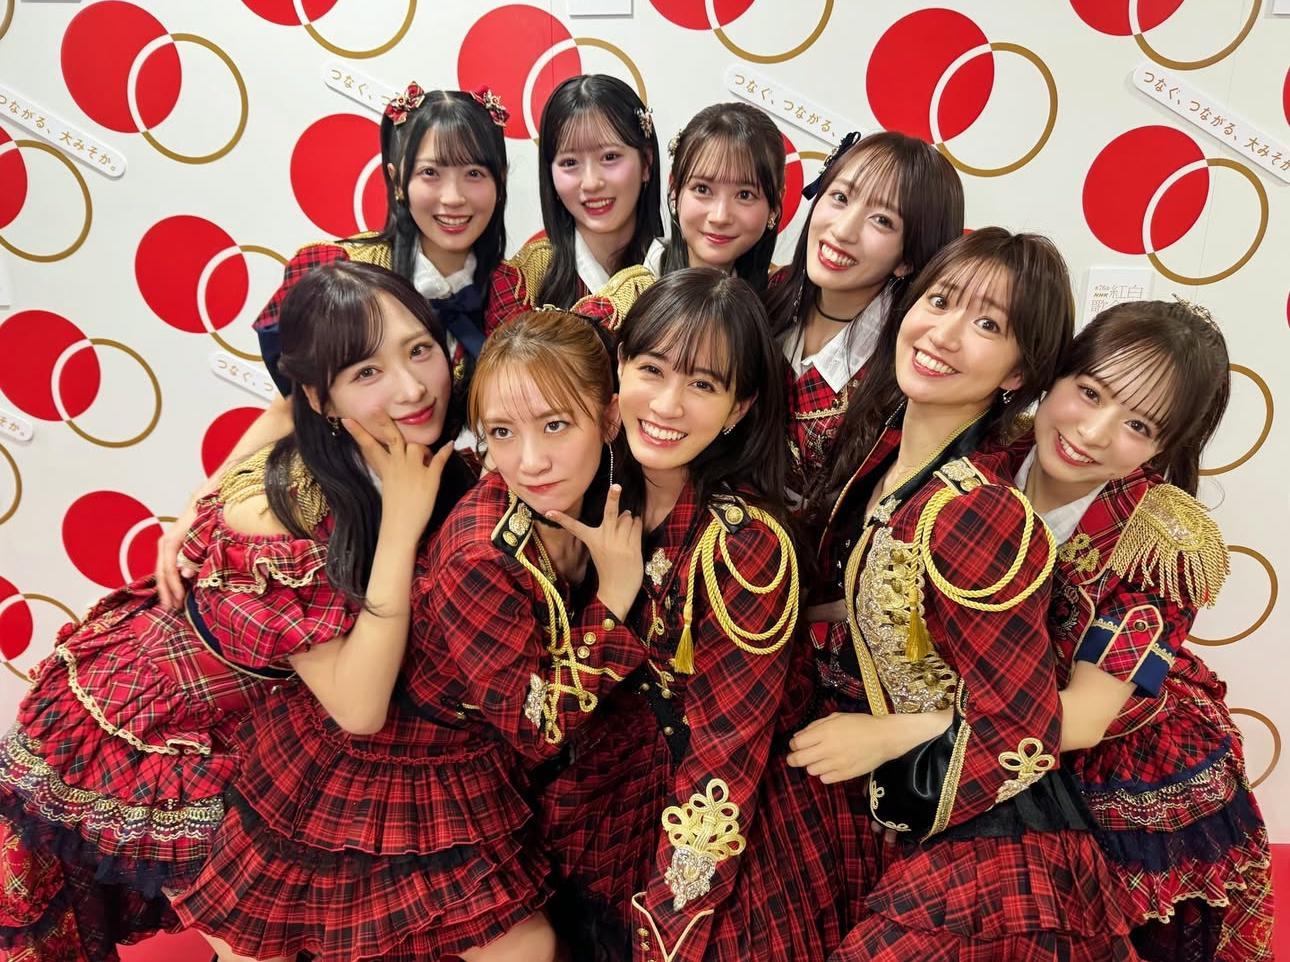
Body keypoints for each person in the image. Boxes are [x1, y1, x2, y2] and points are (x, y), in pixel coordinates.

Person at [0, 262, 467, 962]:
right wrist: (401, 526)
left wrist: (193, 504)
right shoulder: (283, 514)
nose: (412, 387)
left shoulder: (401, 445)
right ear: (323, 397)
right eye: (367, 371)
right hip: (161, 729)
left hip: (274, 719)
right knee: (257, 937)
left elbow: (280, 412)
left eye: (420, 349)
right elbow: (358, 708)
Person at [486, 74, 662, 335]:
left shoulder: (676, 267)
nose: (591, 183)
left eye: (610, 157)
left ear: (646, 162)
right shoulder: (523, 282)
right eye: (569, 163)